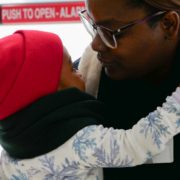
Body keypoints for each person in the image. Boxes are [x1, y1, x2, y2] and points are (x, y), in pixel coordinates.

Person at [0, 30, 180, 180]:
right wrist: (176, 104)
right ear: (51, 89)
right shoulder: (79, 142)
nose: (80, 71)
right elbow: (137, 144)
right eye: (72, 68)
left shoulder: (9, 151)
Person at [76, 0, 180, 179]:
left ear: (168, 24)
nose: (96, 45)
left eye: (110, 32)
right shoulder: (82, 84)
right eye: (95, 26)